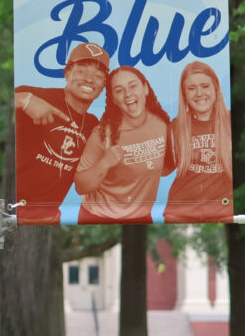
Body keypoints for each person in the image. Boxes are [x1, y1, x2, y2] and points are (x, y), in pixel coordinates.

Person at [15, 41, 110, 223]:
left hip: (47, 219)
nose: (89, 79)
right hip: (13, 212)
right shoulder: (36, 96)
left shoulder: (93, 125)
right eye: (81, 70)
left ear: (104, 85)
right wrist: (23, 100)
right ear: (67, 73)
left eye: (98, 75)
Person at [74, 66, 172, 223]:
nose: (128, 94)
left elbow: (161, 170)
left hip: (141, 216)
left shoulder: (162, 125)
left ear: (145, 88)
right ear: (113, 99)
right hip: (97, 216)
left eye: (133, 86)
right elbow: (81, 187)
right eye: (119, 90)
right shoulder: (103, 134)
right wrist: (105, 163)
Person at [164, 61, 234, 223]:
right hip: (180, 210)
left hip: (222, 209)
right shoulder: (175, 127)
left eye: (205, 86)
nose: (199, 93)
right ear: (184, 94)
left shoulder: (232, 122)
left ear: (216, 88)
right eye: (191, 88)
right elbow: (162, 170)